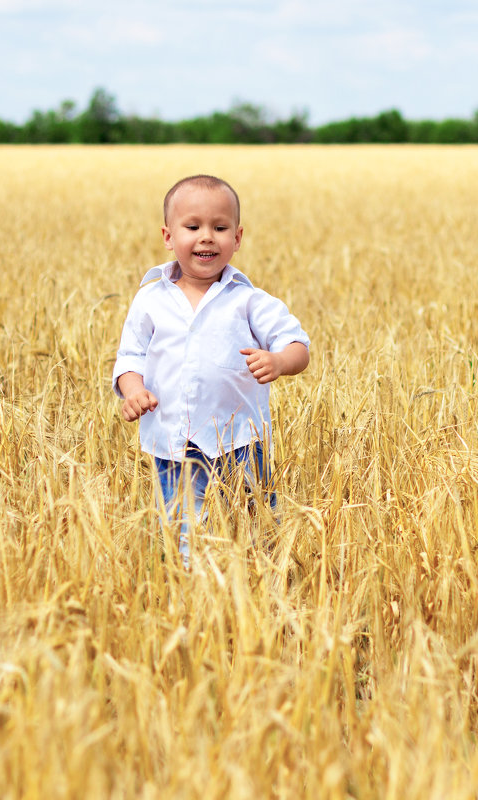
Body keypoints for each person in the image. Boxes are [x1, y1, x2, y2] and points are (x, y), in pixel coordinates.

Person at [112, 175, 310, 566]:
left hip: (239, 442)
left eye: (219, 228)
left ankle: (256, 584)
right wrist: (133, 390)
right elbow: (130, 357)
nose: (206, 237)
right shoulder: (150, 298)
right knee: (179, 530)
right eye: (193, 227)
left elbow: (298, 346)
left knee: (255, 529)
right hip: (172, 441)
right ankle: (193, 593)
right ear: (168, 236)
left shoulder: (250, 300)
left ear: (237, 238)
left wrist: (278, 361)